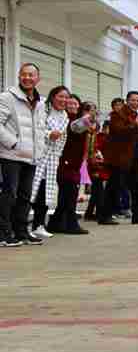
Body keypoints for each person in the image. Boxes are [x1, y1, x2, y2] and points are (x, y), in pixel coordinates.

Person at [0, 63, 48, 247]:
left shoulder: (41, 102)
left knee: (25, 196)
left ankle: (21, 232)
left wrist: (40, 150)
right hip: (11, 155)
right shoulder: (7, 97)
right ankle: (3, 233)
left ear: (38, 78)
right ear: (19, 76)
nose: (27, 78)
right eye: (24, 74)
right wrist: (13, 143)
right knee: (9, 194)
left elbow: (40, 128)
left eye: (31, 75)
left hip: (32, 156)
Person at [97, 91, 138, 226]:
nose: (136, 103)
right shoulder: (118, 114)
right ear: (127, 101)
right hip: (120, 158)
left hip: (136, 159)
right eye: (133, 100)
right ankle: (105, 216)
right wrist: (136, 125)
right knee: (113, 187)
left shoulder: (137, 116)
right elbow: (118, 131)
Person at [47, 99, 95, 235]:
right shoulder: (69, 120)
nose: (73, 106)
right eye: (70, 103)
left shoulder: (79, 120)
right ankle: (71, 224)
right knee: (70, 193)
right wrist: (87, 119)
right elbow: (75, 127)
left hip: (75, 162)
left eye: (75, 104)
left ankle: (54, 223)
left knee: (65, 195)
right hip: (65, 161)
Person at [29, 86, 70, 239]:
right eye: (60, 96)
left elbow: (63, 138)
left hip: (52, 159)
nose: (63, 100)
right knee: (29, 191)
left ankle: (39, 225)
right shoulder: (42, 109)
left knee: (45, 193)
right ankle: (18, 225)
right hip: (38, 156)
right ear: (52, 97)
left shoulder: (65, 115)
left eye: (66, 97)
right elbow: (35, 128)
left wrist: (58, 155)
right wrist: (48, 134)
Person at [84, 121, 111, 221]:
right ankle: (99, 213)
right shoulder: (98, 138)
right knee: (99, 192)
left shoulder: (96, 137)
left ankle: (89, 213)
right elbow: (94, 153)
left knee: (96, 192)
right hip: (96, 167)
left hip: (98, 167)